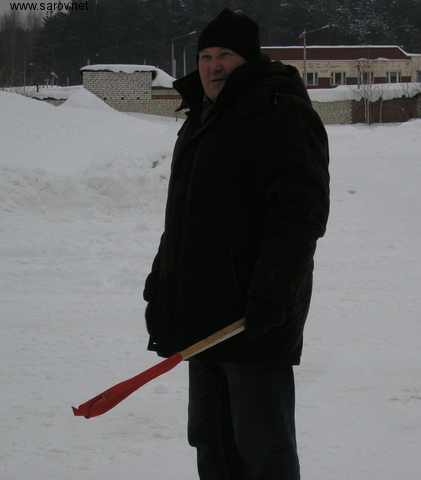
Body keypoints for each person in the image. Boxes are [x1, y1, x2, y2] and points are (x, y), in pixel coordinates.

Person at [143, 8, 330, 480]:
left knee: (262, 447)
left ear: (248, 59)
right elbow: (186, 215)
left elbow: (300, 212)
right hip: (203, 315)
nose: (213, 66)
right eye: (205, 56)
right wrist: (163, 283)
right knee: (212, 441)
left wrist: (273, 291)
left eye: (225, 54)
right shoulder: (202, 117)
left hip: (252, 317)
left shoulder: (279, 111)